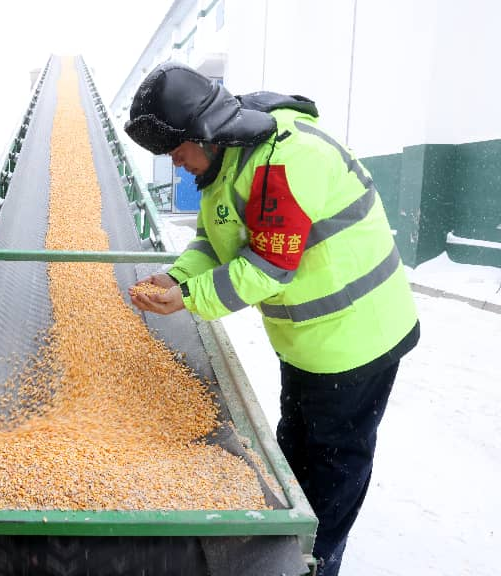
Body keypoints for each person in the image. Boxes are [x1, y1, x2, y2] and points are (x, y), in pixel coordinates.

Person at [124, 62, 420, 576]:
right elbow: (212, 241)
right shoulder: (226, 163)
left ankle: (314, 562)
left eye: (177, 151)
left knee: (332, 468)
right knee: (294, 451)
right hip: (307, 343)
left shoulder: (287, 160)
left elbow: (268, 267)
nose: (177, 163)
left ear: (203, 132)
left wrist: (188, 298)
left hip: (357, 342)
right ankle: (282, 548)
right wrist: (176, 277)